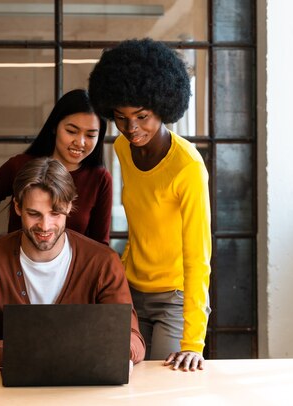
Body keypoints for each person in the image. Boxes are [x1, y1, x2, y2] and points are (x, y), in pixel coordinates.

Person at [0, 157, 145, 367]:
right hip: (4, 394)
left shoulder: (103, 263)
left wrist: (113, 353)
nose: (45, 226)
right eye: (34, 214)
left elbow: (133, 340)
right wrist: (33, 353)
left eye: (55, 213)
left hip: (79, 392)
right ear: (17, 207)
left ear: (70, 206)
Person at [88, 38, 211, 372]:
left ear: (164, 106)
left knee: (163, 383)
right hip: (130, 290)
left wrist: (194, 342)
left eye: (142, 116)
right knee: (124, 378)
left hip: (173, 298)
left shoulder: (187, 167)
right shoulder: (123, 150)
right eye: (121, 118)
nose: (131, 129)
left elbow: (199, 257)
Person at [0, 89, 112, 246]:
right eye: (71, 131)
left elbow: (100, 244)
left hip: (73, 270)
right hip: (16, 267)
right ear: (54, 127)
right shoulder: (19, 166)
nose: (80, 142)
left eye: (91, 135)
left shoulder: (100, 178)